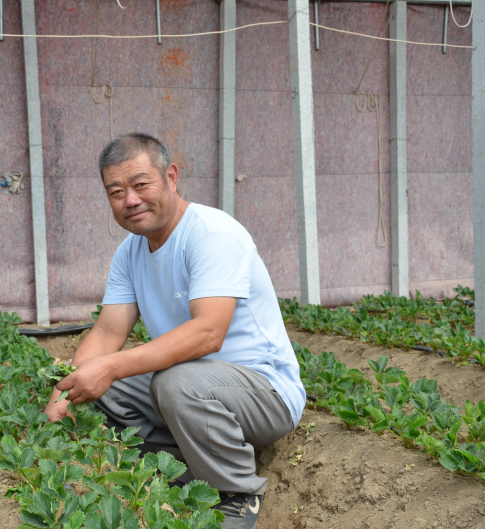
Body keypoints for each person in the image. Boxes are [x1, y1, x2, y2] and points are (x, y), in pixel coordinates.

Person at [44, 133, 305, 529]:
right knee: (99, 386)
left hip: (265, 393)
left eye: (140, 184)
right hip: (196, 389)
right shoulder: (129, 253)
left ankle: (237, 493)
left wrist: (111, 367)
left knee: (172, 382)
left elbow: (208, 334)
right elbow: (107, 332)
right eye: (116, 191)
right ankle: (189, 466)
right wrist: (66, 389)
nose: (130, 199)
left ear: (171, 176)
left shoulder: (211, 234)